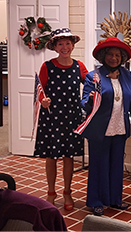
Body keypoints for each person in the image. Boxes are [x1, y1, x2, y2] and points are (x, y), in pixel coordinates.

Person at [80, 37, 131, 216]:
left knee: (116, 165)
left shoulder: (127, 75)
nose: (113, 58)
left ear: (122, 57)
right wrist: (90, 99)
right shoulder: (93, 76)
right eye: (110, 54)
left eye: (117, 55)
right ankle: (96, 200)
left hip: (120, 128)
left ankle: (115, 199)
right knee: (98, 165)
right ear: (103, 56)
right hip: (99, 130)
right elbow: (83, 103)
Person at [34, 28, 88, 211]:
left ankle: (67, 191)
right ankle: (51, 192)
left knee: (68, 156)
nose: (64, 47)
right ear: (55, 47)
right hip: (52, 118)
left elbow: (91, 85)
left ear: (72, 45)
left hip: (72, 117)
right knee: (51, 156)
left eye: (67, 43)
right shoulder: (47, 66)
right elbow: (39, 90)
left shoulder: (79, 66)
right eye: (60, 44)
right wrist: (43, 100)